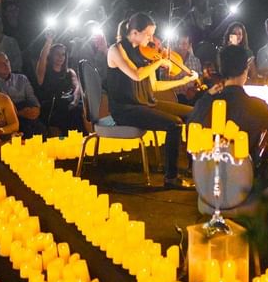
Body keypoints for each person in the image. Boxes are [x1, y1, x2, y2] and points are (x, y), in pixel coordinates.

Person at [107, 13, 200, 188]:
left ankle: (193, 166)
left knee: (193, 114)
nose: (152, 39)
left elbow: (154, 86)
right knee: (174, 124)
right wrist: (159, 63)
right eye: (148, 35)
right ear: (134, 33)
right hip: (126, 109)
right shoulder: (116, 50)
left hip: (146, 102)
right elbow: (136, 75)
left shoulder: (144, 53)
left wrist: (184, 80)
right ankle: (170, 178)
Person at [189, 45, 268, 157]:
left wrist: (207, 96)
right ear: (245, 70)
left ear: (221, 70)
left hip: (206, 170)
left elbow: (190, 131)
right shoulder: (257, 106)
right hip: (242, 170)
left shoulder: (205, 102)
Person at [0, 51, 45, 137]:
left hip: (27, 110)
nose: (6, 64)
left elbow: (31, 97)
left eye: (7, 61)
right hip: (9, 116)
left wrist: (37, 108)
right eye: (1, 63)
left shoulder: (21, 78)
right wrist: (19, 113)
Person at [35, 34, 83, 133]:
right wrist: (48, 42)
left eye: (63, 54)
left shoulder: (70, 72)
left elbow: (78, 87)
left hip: (71, 104)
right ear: (51, 55)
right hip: (54, 108)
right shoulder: (44, 73)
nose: (60, 57)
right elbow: (42, 59)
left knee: (81, 109)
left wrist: (75, 101)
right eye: (57, 54)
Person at [160, 31, 203, 105]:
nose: (180, 46)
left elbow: (200, 79)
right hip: (172, 99)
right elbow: (161, 79)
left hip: (191, 99)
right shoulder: (168, 58)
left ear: (189, 45)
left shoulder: (196, 61)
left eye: (184, 44)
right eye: (178, 43)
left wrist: (194, 89)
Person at [70, 21, 109, 87]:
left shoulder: (104, 45)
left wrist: (104, 49)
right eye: (90, 30)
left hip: (103, 83)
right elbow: (73, 61)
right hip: (84, 83)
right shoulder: (78, 43)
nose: (93, 33)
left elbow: (110, 63)